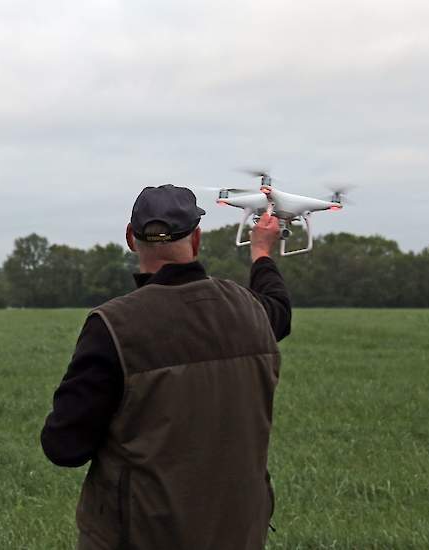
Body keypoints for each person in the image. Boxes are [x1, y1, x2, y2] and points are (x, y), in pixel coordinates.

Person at [40, 184, 291, 550]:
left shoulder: (112, 326)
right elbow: (279, 310)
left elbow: (64, 446)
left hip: (140, 536)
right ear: (197, 239)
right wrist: (261, 253)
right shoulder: (251, 310)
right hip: (239, 534)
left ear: (130, 238)